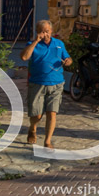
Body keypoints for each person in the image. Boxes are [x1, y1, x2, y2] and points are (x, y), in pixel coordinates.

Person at [19, 20, 71, 149]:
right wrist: (36, 41)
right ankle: (33, 128)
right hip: (37, 83)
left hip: (56, 83)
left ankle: (47, 141)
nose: (45, 34)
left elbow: (68, 59)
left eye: (47, 31)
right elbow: (24, 57)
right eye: (42, 31)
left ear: (51, 31)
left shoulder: (59, 44)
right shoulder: (32, 44)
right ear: (38, 32)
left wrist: (68, 61)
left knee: (51, 112)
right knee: (36, 115)